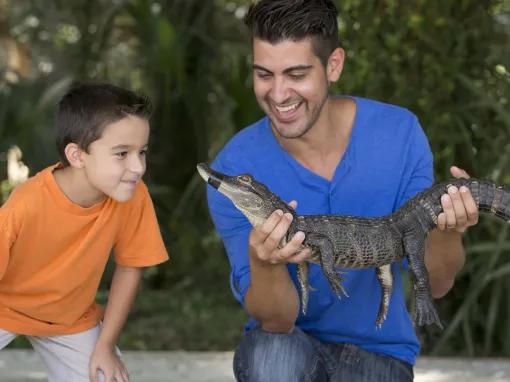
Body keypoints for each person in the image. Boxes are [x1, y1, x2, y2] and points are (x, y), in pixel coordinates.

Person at [205, 1, 479, 381]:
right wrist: (265, 263)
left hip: (380, 355)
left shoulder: (399, 133)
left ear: (333, 65)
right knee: (270, 360)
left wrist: (448, 231)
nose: (279, 94)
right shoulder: (235, 169)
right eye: (264, 74)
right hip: (287, 346)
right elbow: (276, 320)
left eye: (296, 74)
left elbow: (436, 283)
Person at [0, 83, 169, 382]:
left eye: (141, 152)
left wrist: (105, 346)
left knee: (106, 376)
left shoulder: (131, 194)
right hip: (4, 307)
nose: (138, 166)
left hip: (70, 318)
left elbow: (131, 267)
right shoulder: (25, 205)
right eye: (122, 153)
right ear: (77, 156)